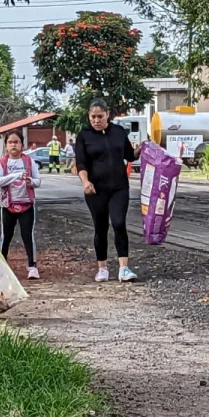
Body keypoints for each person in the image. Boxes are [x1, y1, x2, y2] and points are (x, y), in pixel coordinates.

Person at [74, 98, 138, 283]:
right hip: (96, 189)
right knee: (100, 227)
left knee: (119, 223)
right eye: (92, 117)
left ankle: (124, 268)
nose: (96, 120)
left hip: (119, 187)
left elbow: (128, 155)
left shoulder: (118, 132)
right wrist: (85, 182)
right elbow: (81, 163)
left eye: (100, 116)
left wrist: (140, 150)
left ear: (108, 114)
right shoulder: (84, 136)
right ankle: (102, 268)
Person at [0, 130, 40, 280]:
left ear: (22, 144)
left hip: (26, 204)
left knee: (27, 235)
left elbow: (38, 181)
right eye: (10, 142)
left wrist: (30, 182)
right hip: (8, 204)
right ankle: (2, 265)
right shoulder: (2, 163)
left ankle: (32, 266)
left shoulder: (28, 161)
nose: (13, 145)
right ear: (6, 146)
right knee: (6, 236)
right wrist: (16, 176)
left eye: (16, 142)